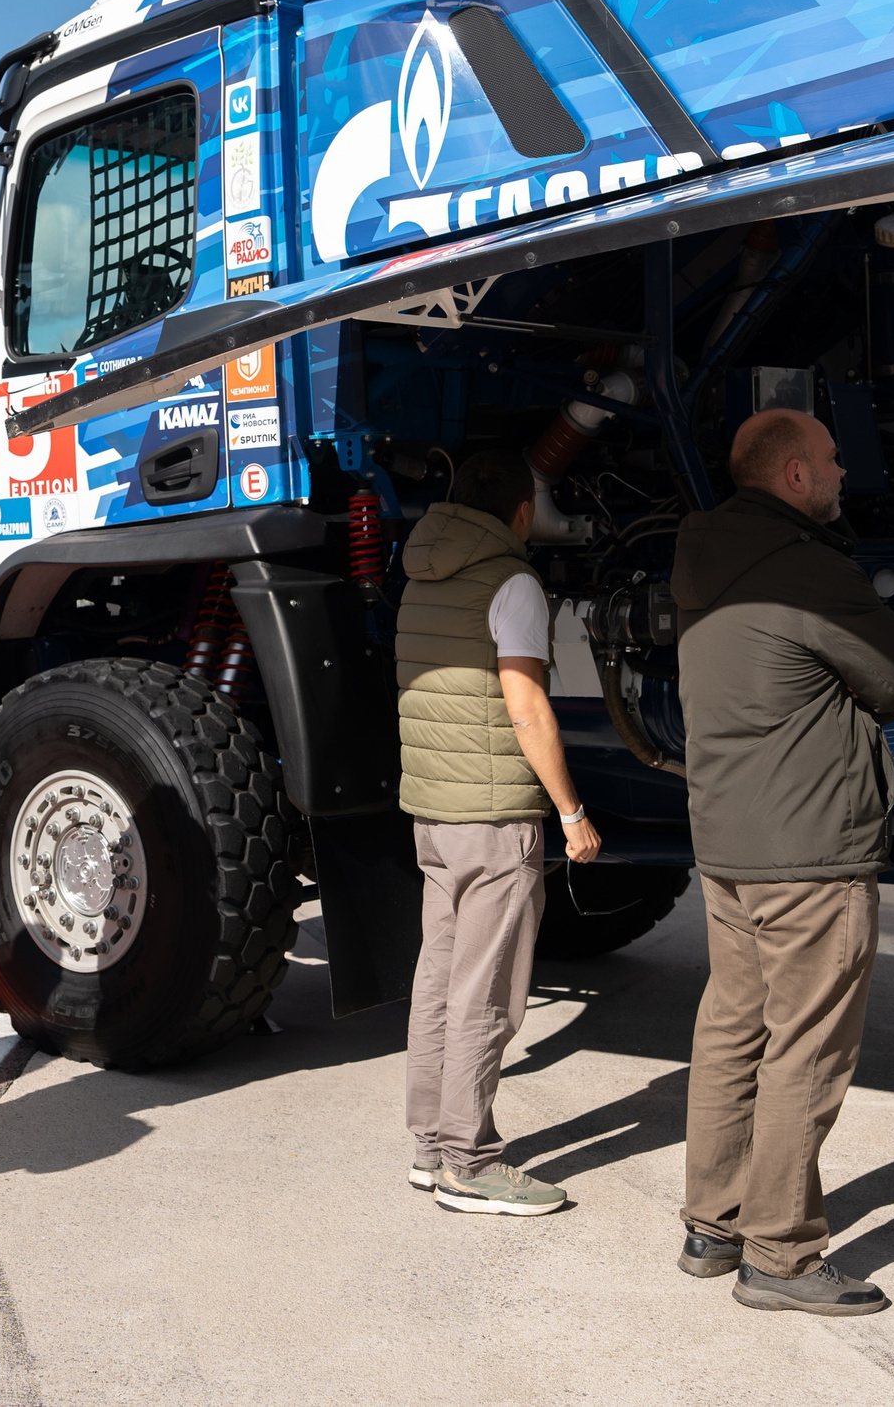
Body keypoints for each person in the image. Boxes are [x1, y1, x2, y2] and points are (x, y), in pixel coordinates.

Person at [667, 408, 894, 1315]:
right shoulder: (812, 573)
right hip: (812, 847)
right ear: (792, 477)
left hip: (730, 844)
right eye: (829, 459)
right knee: (807, 1047)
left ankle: (713, 1221)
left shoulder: (701, 558)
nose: (842, 473)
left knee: (733, 1027)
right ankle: (779, 1255)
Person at [393, 449, 590, 1221]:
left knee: (439, 979)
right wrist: (571, 811)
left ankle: (430, 1145)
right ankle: (470, 1161)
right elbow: (526, 707)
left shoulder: (422, 572)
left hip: (434, 813)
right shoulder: (512, 582)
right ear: (518, 514)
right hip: (495, 814)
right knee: (491, 990)